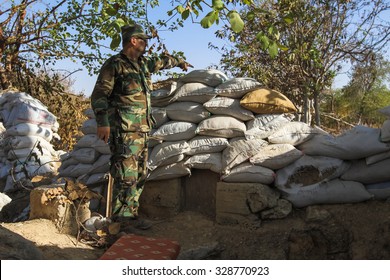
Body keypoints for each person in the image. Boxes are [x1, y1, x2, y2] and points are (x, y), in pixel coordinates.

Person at [90, 23, 191, 229]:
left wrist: (179, 61)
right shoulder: (115, 65)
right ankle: (121, 222)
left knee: (139, 175)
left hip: (143, 130)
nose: (146, 44)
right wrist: (103, 123)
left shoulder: (143, 64)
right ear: (133, 41)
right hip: (124, 130)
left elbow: (163, 61)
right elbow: (100, 95)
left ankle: (131, 216)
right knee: (124, 175)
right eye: (143, 40)